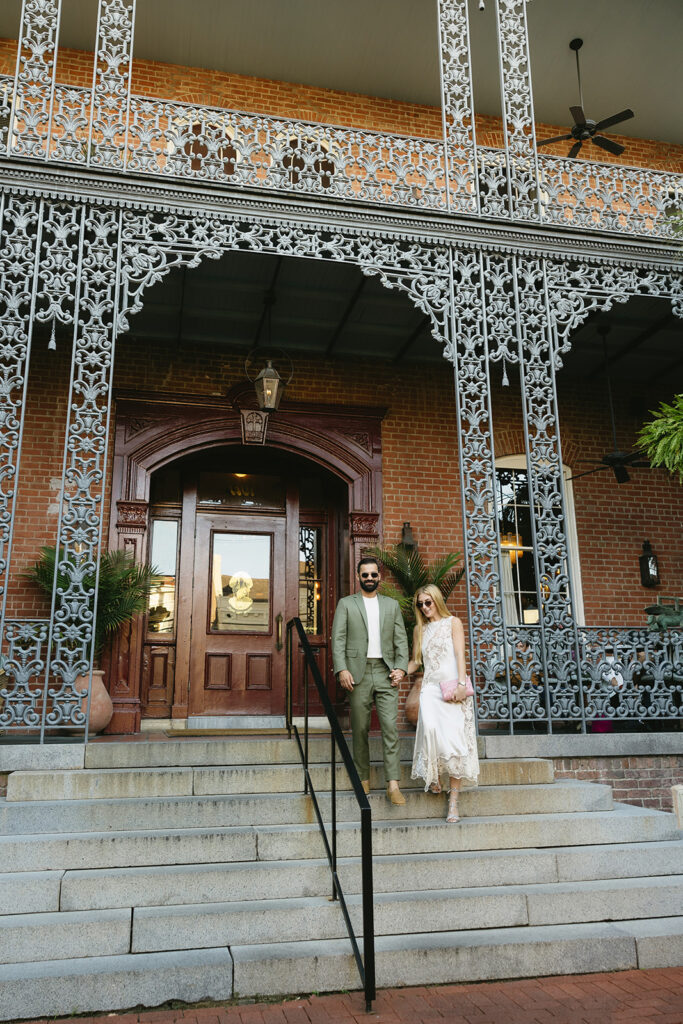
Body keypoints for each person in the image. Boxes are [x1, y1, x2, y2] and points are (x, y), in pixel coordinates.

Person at [331, 557, 410, 805]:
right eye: (364, 575)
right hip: (357, 672)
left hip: (385, 672)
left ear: (379, 577)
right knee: (361, 728)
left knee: (389, 727)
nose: (369, 579)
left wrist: (401, 669)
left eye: (373, 575)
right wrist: (341, 669)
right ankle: (363, 779)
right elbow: (338, 640)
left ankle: (393, 784)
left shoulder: (391, 605)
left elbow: (401, 640)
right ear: (358, 577)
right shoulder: (346, 604)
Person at [408, 584, 479, 823]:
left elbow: (460, 655)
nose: (425, 608)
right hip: (429, 688)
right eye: (420, 604)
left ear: (437, 600)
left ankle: (454, 802)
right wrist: (397, 672)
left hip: (452, 688)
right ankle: (434, 775)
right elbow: (416, 663)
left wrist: (461, 684)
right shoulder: (420, 630)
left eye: (428, 602)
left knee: (454, 742)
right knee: (429, 729)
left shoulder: (453, 623)